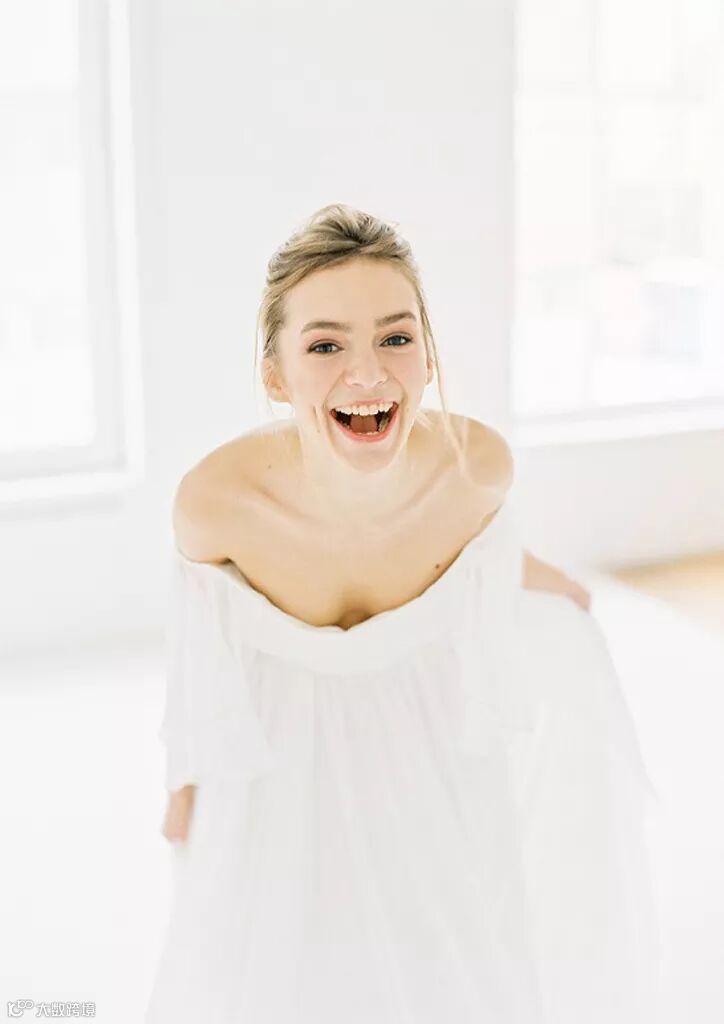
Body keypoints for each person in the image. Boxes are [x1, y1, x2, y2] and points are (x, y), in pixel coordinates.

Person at [145, 204, 660, 1023]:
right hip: (281, 761)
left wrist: (559, 588)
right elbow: (199, 645)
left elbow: (485, 552)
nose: (368, 374)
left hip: (431, 742)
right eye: (325, 346)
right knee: (293, 963)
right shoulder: (218, 503)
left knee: (446, 950)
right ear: (275, 375)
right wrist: (184, 787)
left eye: (395, 337)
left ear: (429, 353)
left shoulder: (478, 466)